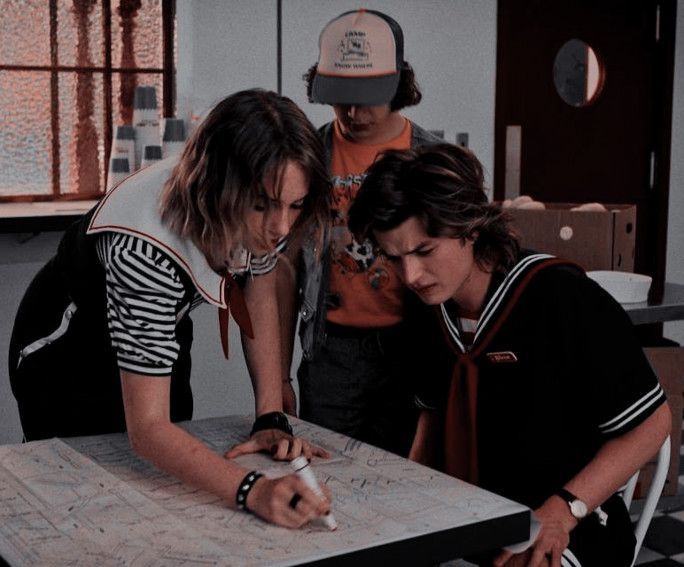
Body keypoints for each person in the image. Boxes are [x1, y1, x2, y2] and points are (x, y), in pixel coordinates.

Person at [9, 89, 334, 529]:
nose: (281, 226)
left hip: (161, 320)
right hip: (67, 351)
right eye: (263, 205)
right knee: (91, 506)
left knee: (170, 485)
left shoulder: (255, 210)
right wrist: (253, 489)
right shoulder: (144, 250)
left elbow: (256, 283)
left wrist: (270, 416)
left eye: (295, 205)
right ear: (222, 185)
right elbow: (148, 431)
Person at [347, 143, 672, 566]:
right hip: (473, 521)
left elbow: (653, 423)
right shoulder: (427, 308)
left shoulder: (562, 297)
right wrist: (408, 494)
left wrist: (565, 509)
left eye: (425, 251)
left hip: (573, 523)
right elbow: (432, 411)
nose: (411, 275)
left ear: (471, 226)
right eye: (394, 258)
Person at [280, 8, 442, 456]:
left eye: (366, 97)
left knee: (410, 478)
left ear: (398, 86)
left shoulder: (433, 158)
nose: (352, 112)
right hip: (331, 351)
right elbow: (282, 273)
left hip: (413, 346)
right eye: (339, 97)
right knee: (324, 472)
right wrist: (276, 377)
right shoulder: (309, 158)